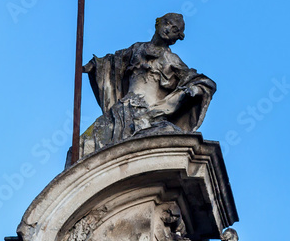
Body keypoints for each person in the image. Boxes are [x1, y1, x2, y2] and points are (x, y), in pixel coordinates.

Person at [79, 13, 215, 159]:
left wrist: (191, 90)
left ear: (177, 38)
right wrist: (94, 65)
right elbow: (112, 63)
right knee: (86, 143)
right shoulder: (137, 49)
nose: (168, 29)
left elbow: (203, 82)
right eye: (167, 23)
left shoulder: (171, 59)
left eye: (175, 30)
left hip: (149, 114)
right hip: (122, 110)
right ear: (158, 23)